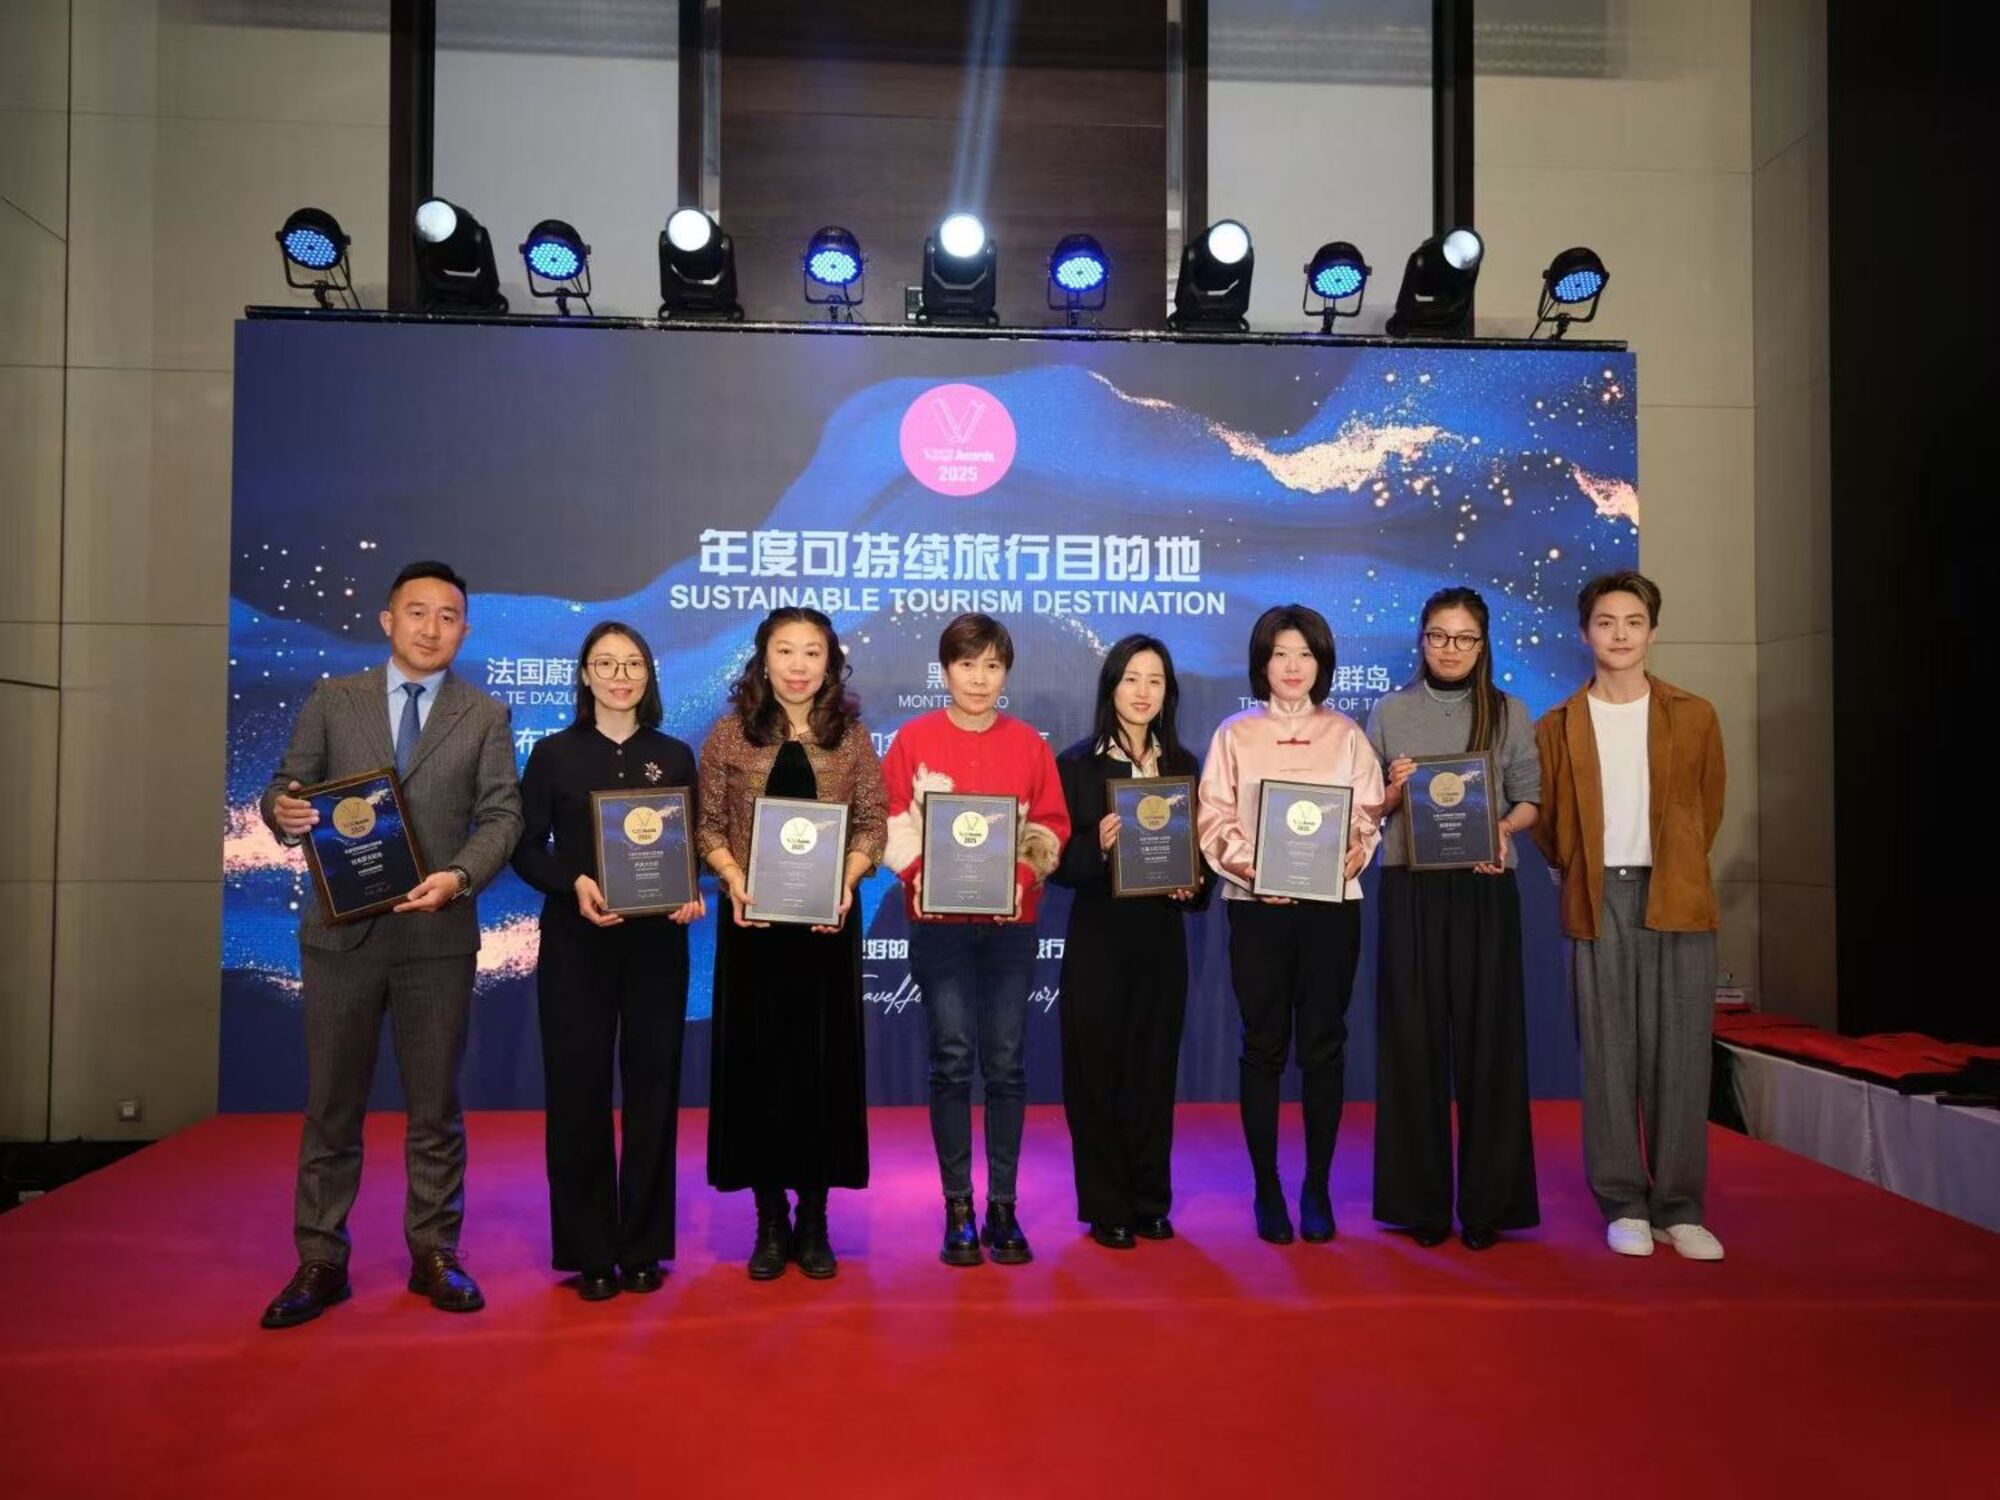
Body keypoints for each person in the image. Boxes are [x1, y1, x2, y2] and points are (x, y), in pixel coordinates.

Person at [257, 559, 523, 1327]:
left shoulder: (484, 714)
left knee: (435, 1105)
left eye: (448, 616)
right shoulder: (333, 699)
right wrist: (283, 812)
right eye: (417, 612)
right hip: (340, 936)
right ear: (387, 620)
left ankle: (435, 1251)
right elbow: (284, 788)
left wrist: (459, 877)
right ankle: (320, 1259)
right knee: (332, 1105)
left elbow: (502, 817)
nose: (431, 628)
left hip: (436, 934)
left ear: (464, 630)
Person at [1532, 570, 1728, 1261]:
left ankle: (1680, 1205)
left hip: (1677, 895)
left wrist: (1673, 865)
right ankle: (1623, 1201)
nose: (1620, 634)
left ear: (1653, 631)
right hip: (1596, 897)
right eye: (1606, 622)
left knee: (1682, 1053)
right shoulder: (1557, 725)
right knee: (1608, 1054)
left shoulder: (1694, 715)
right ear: (1584, 633)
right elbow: (1549, 826)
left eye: (1633, 622)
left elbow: (1708, 807)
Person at [511, 622, 703, 1302]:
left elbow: (692, 847)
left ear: (649, 675)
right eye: (606, 663)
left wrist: (691, 891)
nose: (621, 676)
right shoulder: (553, 755)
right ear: (585, 675)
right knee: (577, 1094)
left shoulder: (674, 755)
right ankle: (590, 1249)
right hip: (577, 943)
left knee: (654, 1091)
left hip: (658, 948)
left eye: (633, 664)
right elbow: (525, 848)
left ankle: (643, 1245)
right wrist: (574, 884)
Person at [698, 608, 887, 1281]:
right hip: (752, 929)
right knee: (761, 1072)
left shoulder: (851, 738)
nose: (799, 665)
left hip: (826, 929)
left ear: (830, 663)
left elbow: (873, 824)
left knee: (819, 1072)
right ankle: (769, 1220)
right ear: (764, 659)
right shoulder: (729, 734)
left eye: (813, 652)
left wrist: (848, 881)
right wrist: (733, 877)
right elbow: (706, 824)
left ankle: (814, 1219)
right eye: (786, 651)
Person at [882, 613, 1070, 1267]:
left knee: (1007, 1063)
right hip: (938, 927)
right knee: (953, 1059)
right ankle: (958, 1206)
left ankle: (1004, 1207)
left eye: (992, 665)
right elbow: (891, 821)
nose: (979, 678)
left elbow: (1050, 825)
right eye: (967, 664)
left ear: (1006, 673)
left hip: (1012, 924)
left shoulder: (1029, 745)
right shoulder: (913, 739)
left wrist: (1016, 879)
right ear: (945, 671)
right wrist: (927, 876)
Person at [1196, 604, 1383, 1246]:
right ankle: (1268, 1188)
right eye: (1281, 654)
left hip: (1332, 911)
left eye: (1305, 654)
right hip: (1257, 910)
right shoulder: (1234, 734)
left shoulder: (1347, 734)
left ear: (1322, 663)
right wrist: (1258, 874)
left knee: (1324, 1046)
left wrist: (1352, 852)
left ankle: (1317, 1187)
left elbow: (1367, 817)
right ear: (1262, 663)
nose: (1293, 666)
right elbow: (1214, 818)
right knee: (1263, 1046)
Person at [1366, 587, 1541, 1250]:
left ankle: (1488, 1204)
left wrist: (1503, 830)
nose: (1450, 649)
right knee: (1411, 1043)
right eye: (1438, 636)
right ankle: (1422, 1205)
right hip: (1409, 887)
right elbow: (1368, 809)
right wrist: (1392, 789)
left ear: (1482, 644)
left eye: (1464, 638)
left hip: (1483, 888)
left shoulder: (1508, 712)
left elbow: (1530, 800)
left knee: (1490, 1044)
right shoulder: (1389, 711)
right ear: (1421, 639)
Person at [1050, 635, 1209, 1250]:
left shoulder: (1184, 764)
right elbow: (1057, 864)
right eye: (1131, 679)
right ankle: (1107, 1204)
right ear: (1111, 686)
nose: (1143, 692)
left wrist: (1193, 884)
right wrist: (1098, 845)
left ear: (1168, 692)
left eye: (1155, 681)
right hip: (1099, 938)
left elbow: (1200, 859)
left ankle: (1149, 1199)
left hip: (1161, 940)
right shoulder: (1076, 764)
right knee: (1096, 1073)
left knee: (1153, 1071)